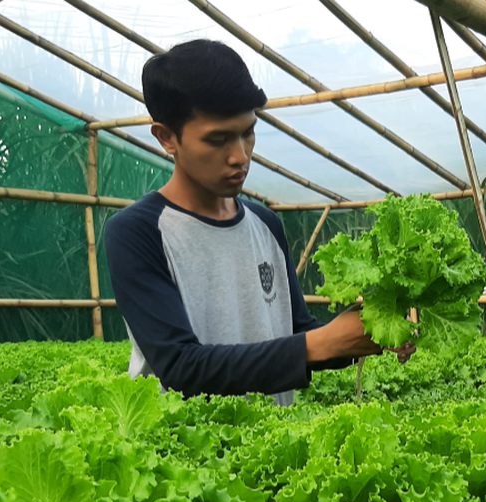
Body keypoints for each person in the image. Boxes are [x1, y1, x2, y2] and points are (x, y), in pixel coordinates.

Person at [104, 40, 412, 405]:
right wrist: (319, 343)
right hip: (179, 439)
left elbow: (294, 331)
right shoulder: (138, 231)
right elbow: (180, 367)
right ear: (167, 137)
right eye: (218, 139)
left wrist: (367, 330)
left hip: (273, 430)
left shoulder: (265, 223)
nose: (240, 156)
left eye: (247, 133)